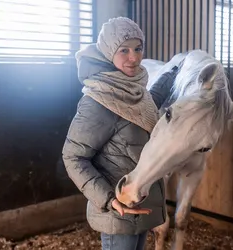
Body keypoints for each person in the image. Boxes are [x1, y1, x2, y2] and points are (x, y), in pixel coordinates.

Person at [62, 17, 179, 250]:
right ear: (108, 52)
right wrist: (109, 200)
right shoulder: (98, 101)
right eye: (123, 50)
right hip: (118, 212)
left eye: (138, 48)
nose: (134, 57)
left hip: (140, 205)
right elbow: (73, 157)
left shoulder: (134, 90)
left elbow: (143, 109)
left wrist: (171, 74)